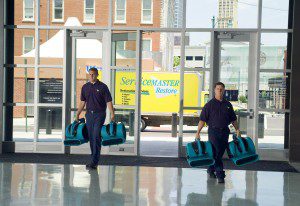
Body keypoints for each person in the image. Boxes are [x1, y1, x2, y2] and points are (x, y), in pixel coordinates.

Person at [195, 82, 240, 183]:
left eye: (221, 89)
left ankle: (210, 169)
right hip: (213, 132)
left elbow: (233, 119)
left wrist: (237, 130)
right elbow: (202, 120)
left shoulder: (228, 105)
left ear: (224, 91)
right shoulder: (209, 105)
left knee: (219, 153)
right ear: (214, 90)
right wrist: (198, 132)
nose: (219, 91)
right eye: (218, 89)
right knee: (216, 153)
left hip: (225, 132)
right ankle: (220, 175)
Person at [76, 67, 115, 170]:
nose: (91, 76)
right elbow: (82, 102)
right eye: (90, 74)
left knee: (96, 136)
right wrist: (77, 113)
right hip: (89, 115)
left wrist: (112, 114)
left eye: (93, 74)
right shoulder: (85, 87)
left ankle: (94, 161)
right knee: (91, 137)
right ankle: (93, 159)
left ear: (97, 75)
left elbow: (109, 101)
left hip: (100, 114)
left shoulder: (103, 87)